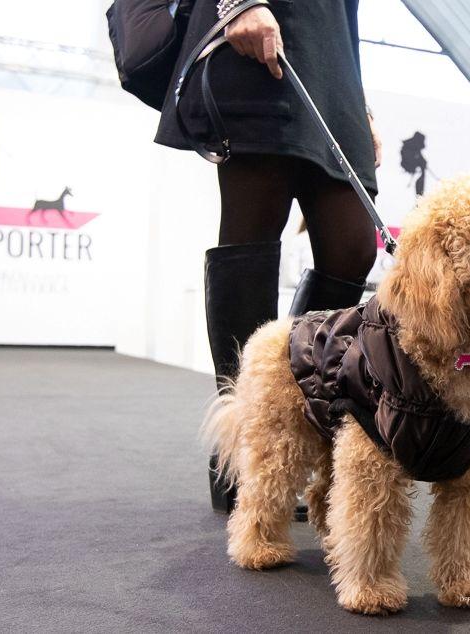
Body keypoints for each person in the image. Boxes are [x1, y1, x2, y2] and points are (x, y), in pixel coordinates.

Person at [155, 1, 381, 511]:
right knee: (251, 237)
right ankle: (244, 453)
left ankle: (297, 421)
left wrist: (360, 106)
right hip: (261, 44)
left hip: (331, 71)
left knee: (352, 247)